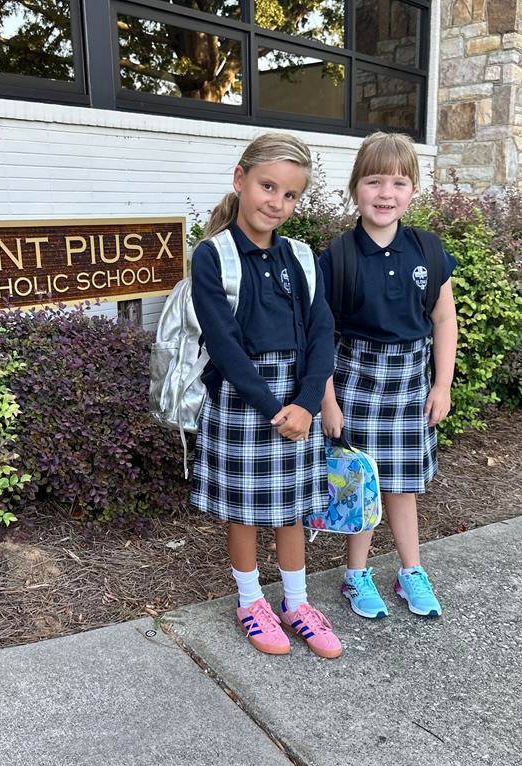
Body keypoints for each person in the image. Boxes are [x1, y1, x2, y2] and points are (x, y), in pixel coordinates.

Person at [191, 132, 342, 659]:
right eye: (267, 186)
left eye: (290, 194)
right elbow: (224, 344)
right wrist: (274, 407)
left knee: (292, 511)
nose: (276, 202)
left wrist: (306, 402)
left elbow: (321, 333)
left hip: (296, 397)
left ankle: (297, 604)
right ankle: (251, 601)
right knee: (245, 511)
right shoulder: (212, 256)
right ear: (241, 180)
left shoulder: (301, 257)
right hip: (241, 399)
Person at [319, 132, 458, 620]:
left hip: (410, 385)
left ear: (413, 191)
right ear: (355, 187)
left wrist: (441, 385)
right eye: (374, 181)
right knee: (362, 483)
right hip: (355, 381)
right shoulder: (337, 257)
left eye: (399, 183)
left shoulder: (428, 250)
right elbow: (320, 337)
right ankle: (356, 575)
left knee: (402, 486)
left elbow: (444, 320)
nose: (385, 193)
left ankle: (410, 571)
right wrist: (327, 400)